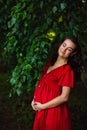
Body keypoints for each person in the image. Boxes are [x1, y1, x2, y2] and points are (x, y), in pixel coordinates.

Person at [31, 36, 83, 130]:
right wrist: (34, 99)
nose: (64, 50)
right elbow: (41, 84)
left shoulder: (67, 70)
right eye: (64, 45)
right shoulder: (49, 63)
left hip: (54, 113)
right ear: (60, 45)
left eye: (69, 49)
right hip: (41, 110)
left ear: (72, 53)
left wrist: (43, 106)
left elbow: (64, 97)